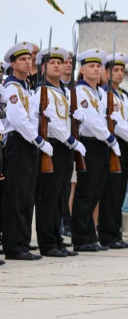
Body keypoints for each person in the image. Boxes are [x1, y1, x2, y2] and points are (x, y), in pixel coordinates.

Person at [1, 42, 53, 261]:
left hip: (29, 144)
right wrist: (39, 141)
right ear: (12, 64)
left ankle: (22, 241)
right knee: (17, 195)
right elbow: (18, 120)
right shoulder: (12, 88)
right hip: (20, 143)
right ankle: (14, 245)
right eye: (22, 59)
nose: (27, 62)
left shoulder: (27, 87)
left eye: (29, 59)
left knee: (27, 195)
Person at [33, 47, 85, 258]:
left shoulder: (63, 91)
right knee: (49, 196)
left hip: (65, 148)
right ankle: (47, 242)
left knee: (61, 196)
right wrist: (72, 141)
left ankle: (57, 239)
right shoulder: (41, 91)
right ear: (43, 68)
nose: (57, 65)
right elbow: (51, 123)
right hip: (53, 146)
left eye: (60, 62)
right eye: (51, 63)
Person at [71, 49, 121, 252]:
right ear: (82, 70)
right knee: (85, 192)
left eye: (98, 66)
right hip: (90, 143)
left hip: (100, 145)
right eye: (91, 66)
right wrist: (110, 138)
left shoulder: (99, 92)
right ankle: (80, 238)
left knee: (95, 193)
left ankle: (90, 235)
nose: (96, 69)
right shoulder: (80, 91)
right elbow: (92, 121)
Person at [98, 53, 128, 249]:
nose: (118, 74)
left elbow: (127, 119)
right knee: (111, 191)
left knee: (119, 192)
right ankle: (108, 234)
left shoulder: (124, 95)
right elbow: (114, 122)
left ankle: (116, 233)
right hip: (113, 144)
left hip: (125, 146)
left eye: (120, 71)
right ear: (106, 72)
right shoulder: (104, 93)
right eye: (114, 70)